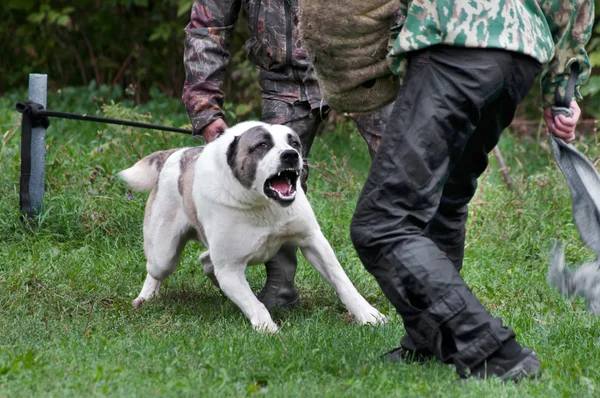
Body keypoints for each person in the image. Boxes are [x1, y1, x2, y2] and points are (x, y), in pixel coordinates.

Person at [348, 0, 592, 381]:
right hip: (519, 51)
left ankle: (493, 351)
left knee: (382, 223)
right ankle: (430, 343)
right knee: (444, 200)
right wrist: (561, 90)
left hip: (454, 40)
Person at [181, 0, 392, 310]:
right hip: (285, 80)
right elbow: (207, 27)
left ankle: (421, 280)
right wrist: (205, 107)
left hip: (364, 70)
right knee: (271, 177)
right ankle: (280, 284)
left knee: (403, 171)